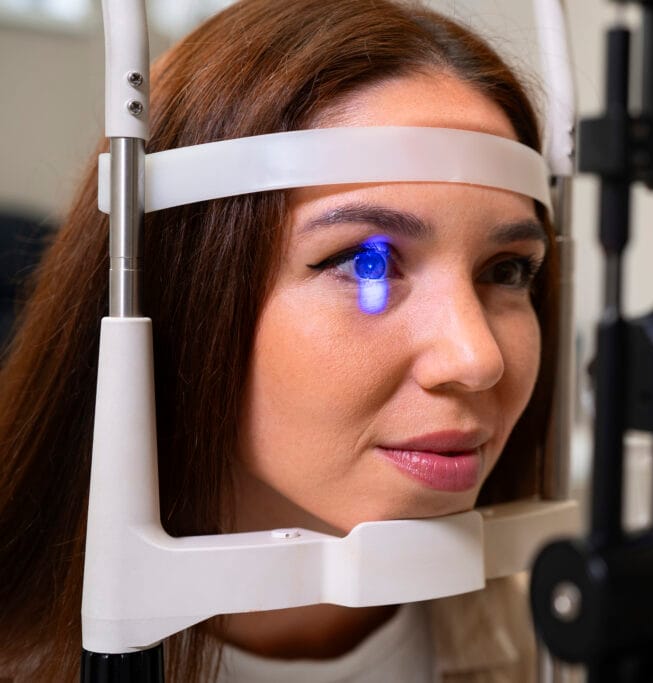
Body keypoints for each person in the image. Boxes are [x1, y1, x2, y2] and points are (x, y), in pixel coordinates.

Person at [0, 1, 560, 680]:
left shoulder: (556, 639)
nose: (478, 359)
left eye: (507, 271)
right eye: (367, 263)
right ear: (181, 288)